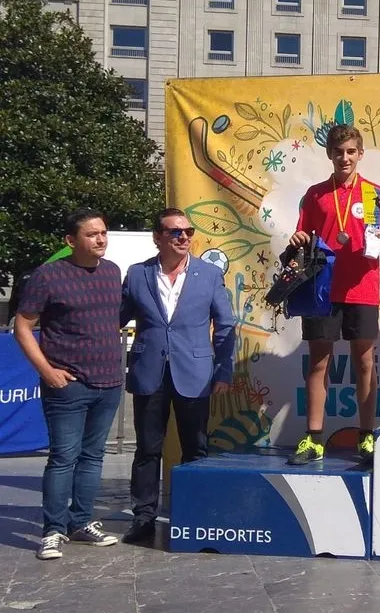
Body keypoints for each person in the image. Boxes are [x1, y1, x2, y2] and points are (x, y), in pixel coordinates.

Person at [119, 208, 235, 543]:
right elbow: (116, 317)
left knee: (195, 447)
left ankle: (195, 514)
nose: (184, 237)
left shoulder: (208, 274)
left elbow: (225, 324)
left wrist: (223, 369)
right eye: (175, 232)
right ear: (158, 237)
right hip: (149, 371)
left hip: (195, 373)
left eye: (188, 231)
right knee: (147, 449)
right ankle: (143, 518)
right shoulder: (137, 273)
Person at [14, 209, 123, 560]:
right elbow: (22, 326)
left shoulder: (112, 272)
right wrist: (47, 371)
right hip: (68, 385)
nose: (100, 239)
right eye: (92, 234)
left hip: (109, 382)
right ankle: (53, 530)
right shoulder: (48, 276)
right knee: (63, 457)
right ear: (70, 241)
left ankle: (81, 522)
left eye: (103, 232)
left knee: (93, 457)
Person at [287, 124, 380, 465]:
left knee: (364, 362)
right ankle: (314, 438)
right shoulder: (316, 194)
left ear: (360, 153)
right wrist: (298, 239)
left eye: (351, 151)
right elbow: (302, 234)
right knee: (319, 362)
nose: (345, 158)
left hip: (362, 286)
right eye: (339, 152)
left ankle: (367, 436)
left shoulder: (375, 193)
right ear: (330, 155)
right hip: (322, 288)